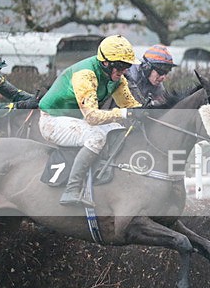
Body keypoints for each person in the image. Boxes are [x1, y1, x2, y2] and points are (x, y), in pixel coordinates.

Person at [38, 35, 146, 207]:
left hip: (76, 121)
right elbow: (93, 117)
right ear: (105, 63)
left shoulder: (117, 79)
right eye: (120, 66)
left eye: (127, 66)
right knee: (97, 137)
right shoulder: (85, 75)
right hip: (52, 121)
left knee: (117, 129)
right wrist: (124, 113)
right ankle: (71, 190)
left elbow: (131, 105)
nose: (124, 70)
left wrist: (146, 112)